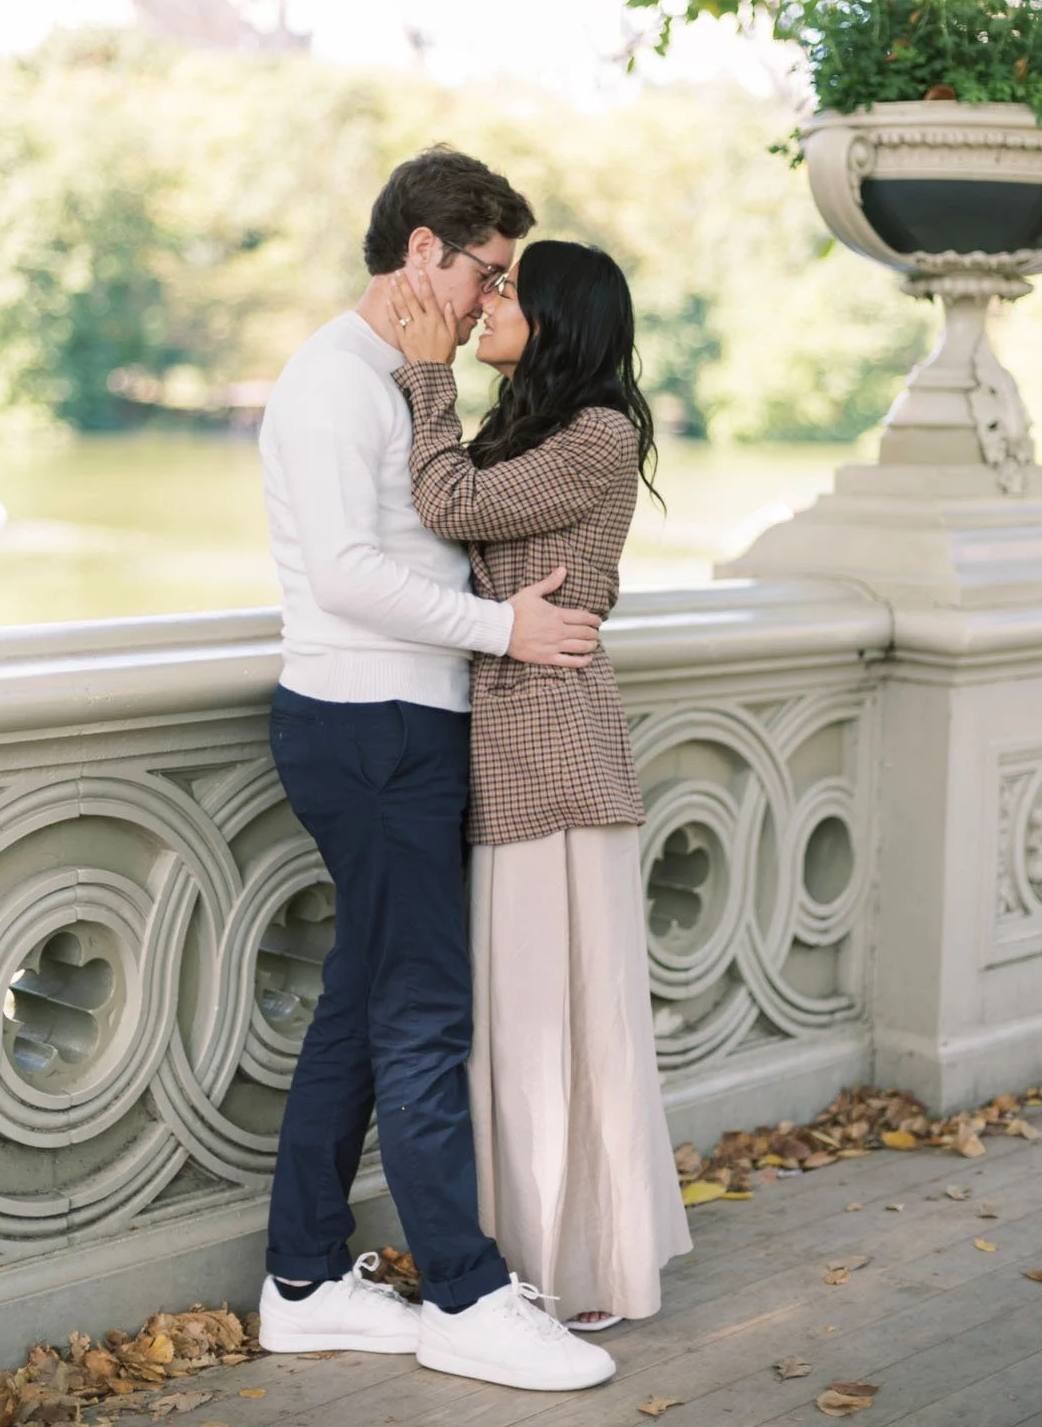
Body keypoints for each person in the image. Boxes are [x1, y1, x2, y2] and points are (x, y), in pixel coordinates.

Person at [256, 147, 618, 1392]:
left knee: (367, 1007)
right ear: (424, 251)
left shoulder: (403, 381)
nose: (489, 301)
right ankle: (465, 1296)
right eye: (487, 273)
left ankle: (303, 1280)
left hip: (404, 725)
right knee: (423, 1019)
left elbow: (453, 518)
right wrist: (506, 629)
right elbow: (350, 576)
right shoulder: (333, 381)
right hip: (369, 728)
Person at [385, 239, 692, 1330]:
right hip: (516, 737)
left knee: (557, 1024)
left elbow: (448, 503)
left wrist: (427, 374)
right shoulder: (539, 425)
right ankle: (529, 1252)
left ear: (559, 317)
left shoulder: (598, 433)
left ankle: (579, 1269)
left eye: (510, 290)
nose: (487, 303)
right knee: (523, 1021)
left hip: (554, 749)